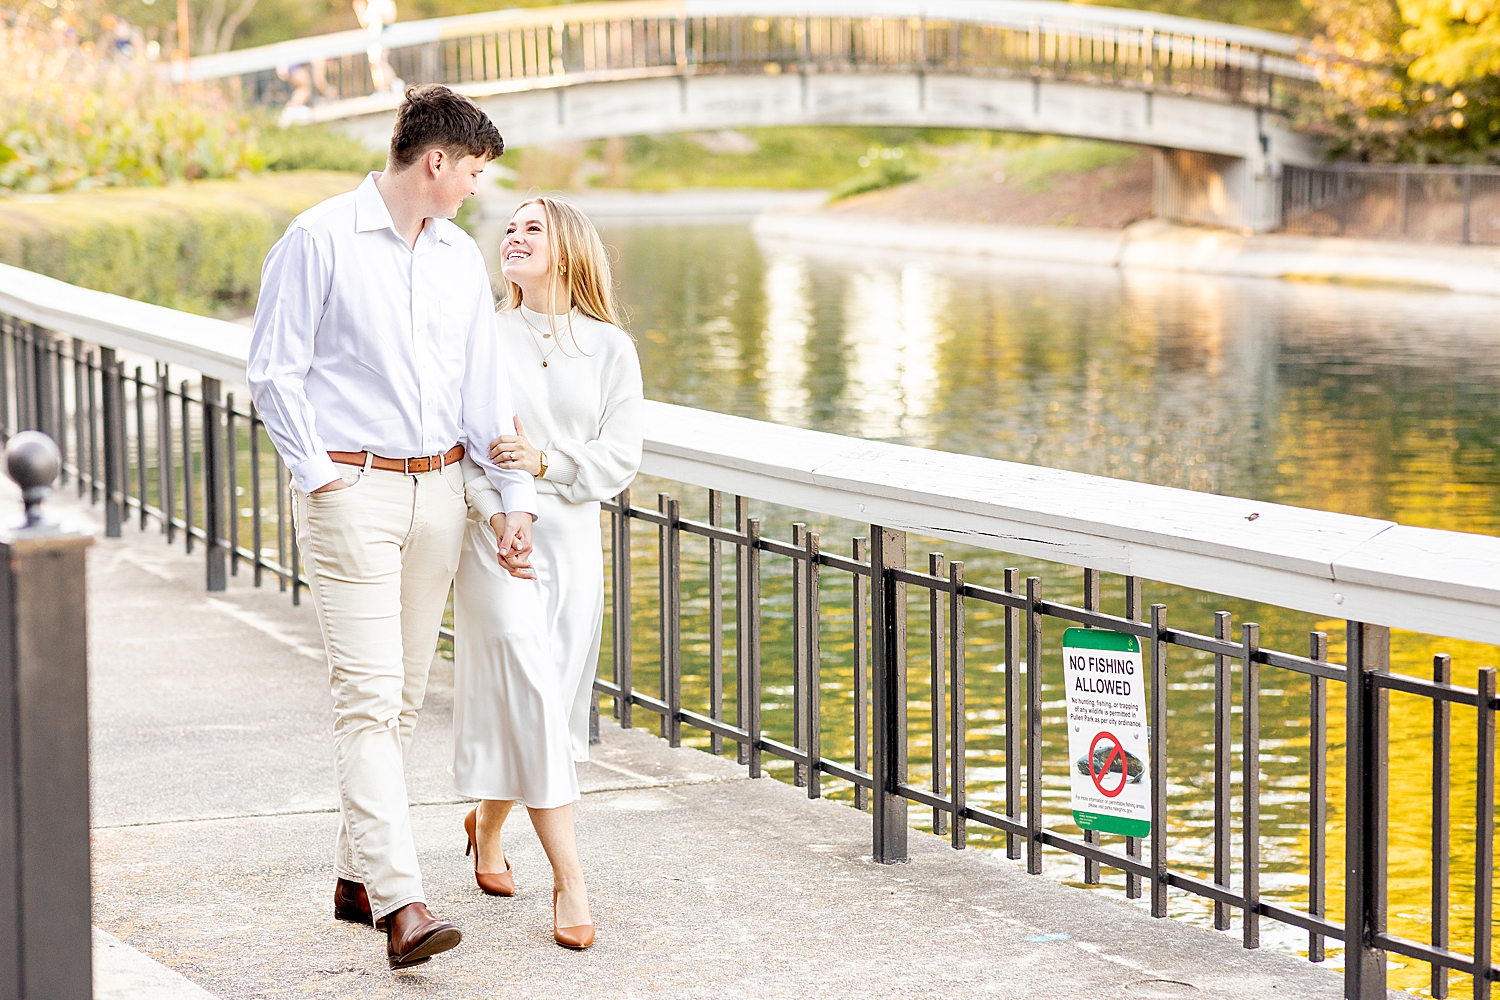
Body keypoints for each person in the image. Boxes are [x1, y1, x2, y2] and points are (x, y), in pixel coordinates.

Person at [247, 84, 536, 971]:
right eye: (475, 172)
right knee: (367, 700)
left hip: (439, 494)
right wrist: (321, 477)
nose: (479, 190)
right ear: (436, 161)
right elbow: (274, 372)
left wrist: (511, 491)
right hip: (353, 497)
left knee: (403, 700)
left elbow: (481, 387)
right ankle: (403, 905)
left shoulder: (456, 259)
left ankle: (354, 877)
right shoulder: (319, 238)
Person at [452, 196, 644, 951]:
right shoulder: (481, 337)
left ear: (566, 250)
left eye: (532, 228)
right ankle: (571, 879)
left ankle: (487, 822)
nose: (513, 238)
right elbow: (461, 446)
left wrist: (548, 464)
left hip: (572, 545)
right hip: (496, 541)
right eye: (509, 228)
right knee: (534, 697)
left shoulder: (609, 348)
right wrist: (498, 515)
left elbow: (620, 456)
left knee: (547, 708)